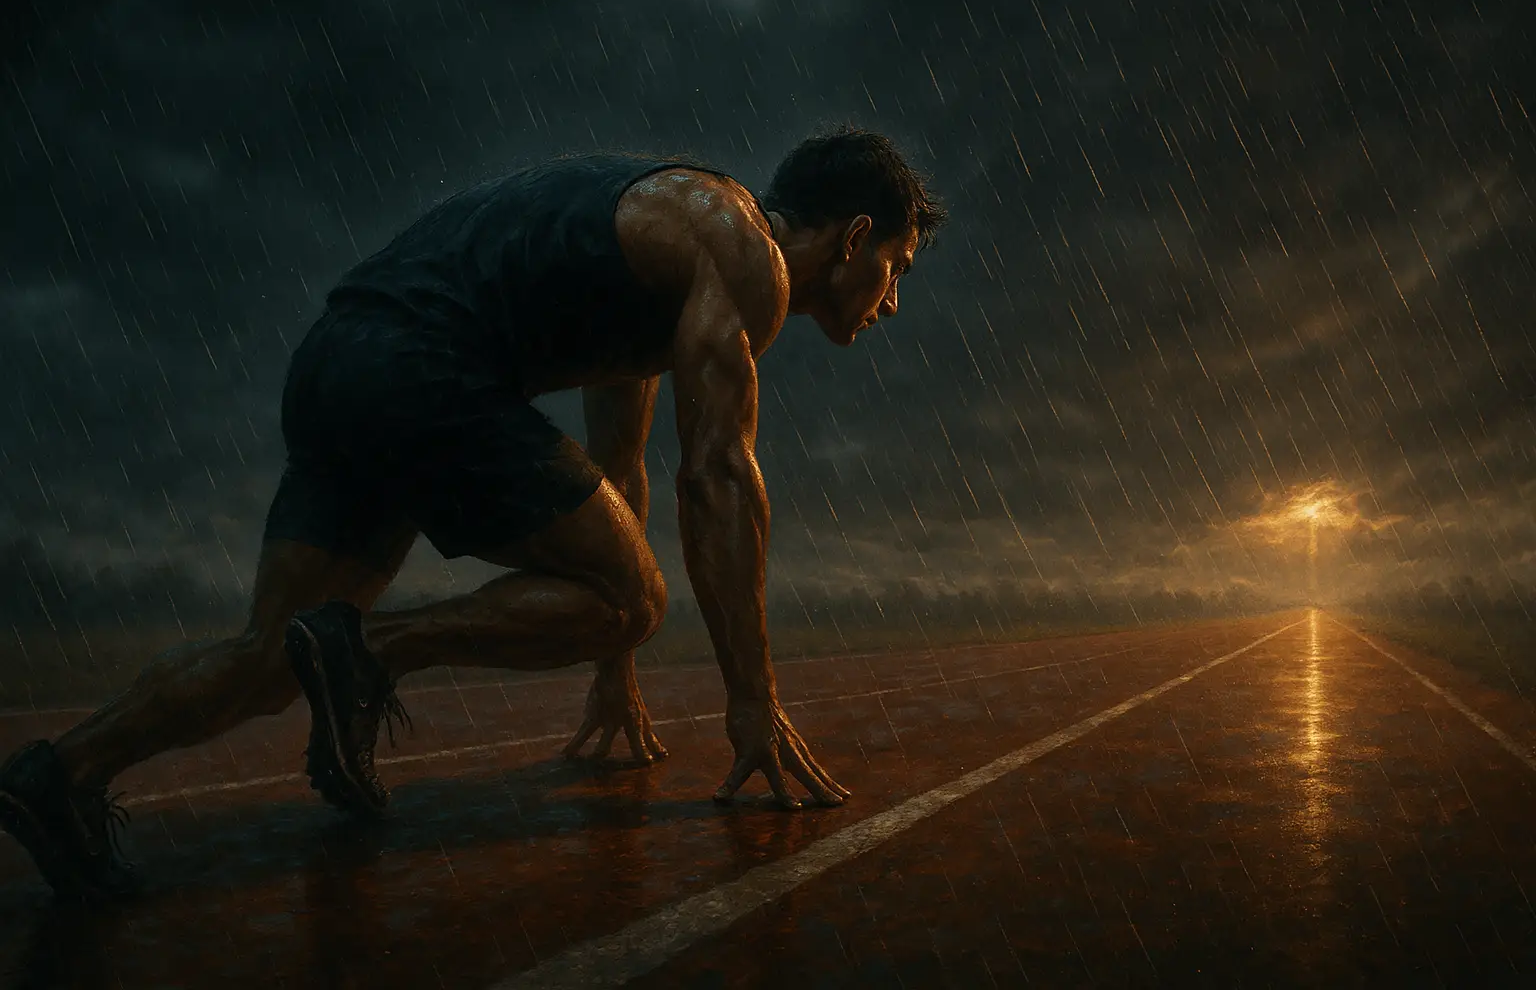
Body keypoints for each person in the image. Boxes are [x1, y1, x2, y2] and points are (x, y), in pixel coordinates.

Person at [0, 127, 947, 901]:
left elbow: (621, 473)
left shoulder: (668, 256)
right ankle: (367, 650)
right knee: (635, 597)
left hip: (338, 364)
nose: (894, 300)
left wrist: (612, 676)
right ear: (854, 236)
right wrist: (752, 700)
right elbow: (719, 475)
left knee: (267, 651)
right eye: (898, 266)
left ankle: (62, 772)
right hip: (421, 366)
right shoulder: (741, 252)